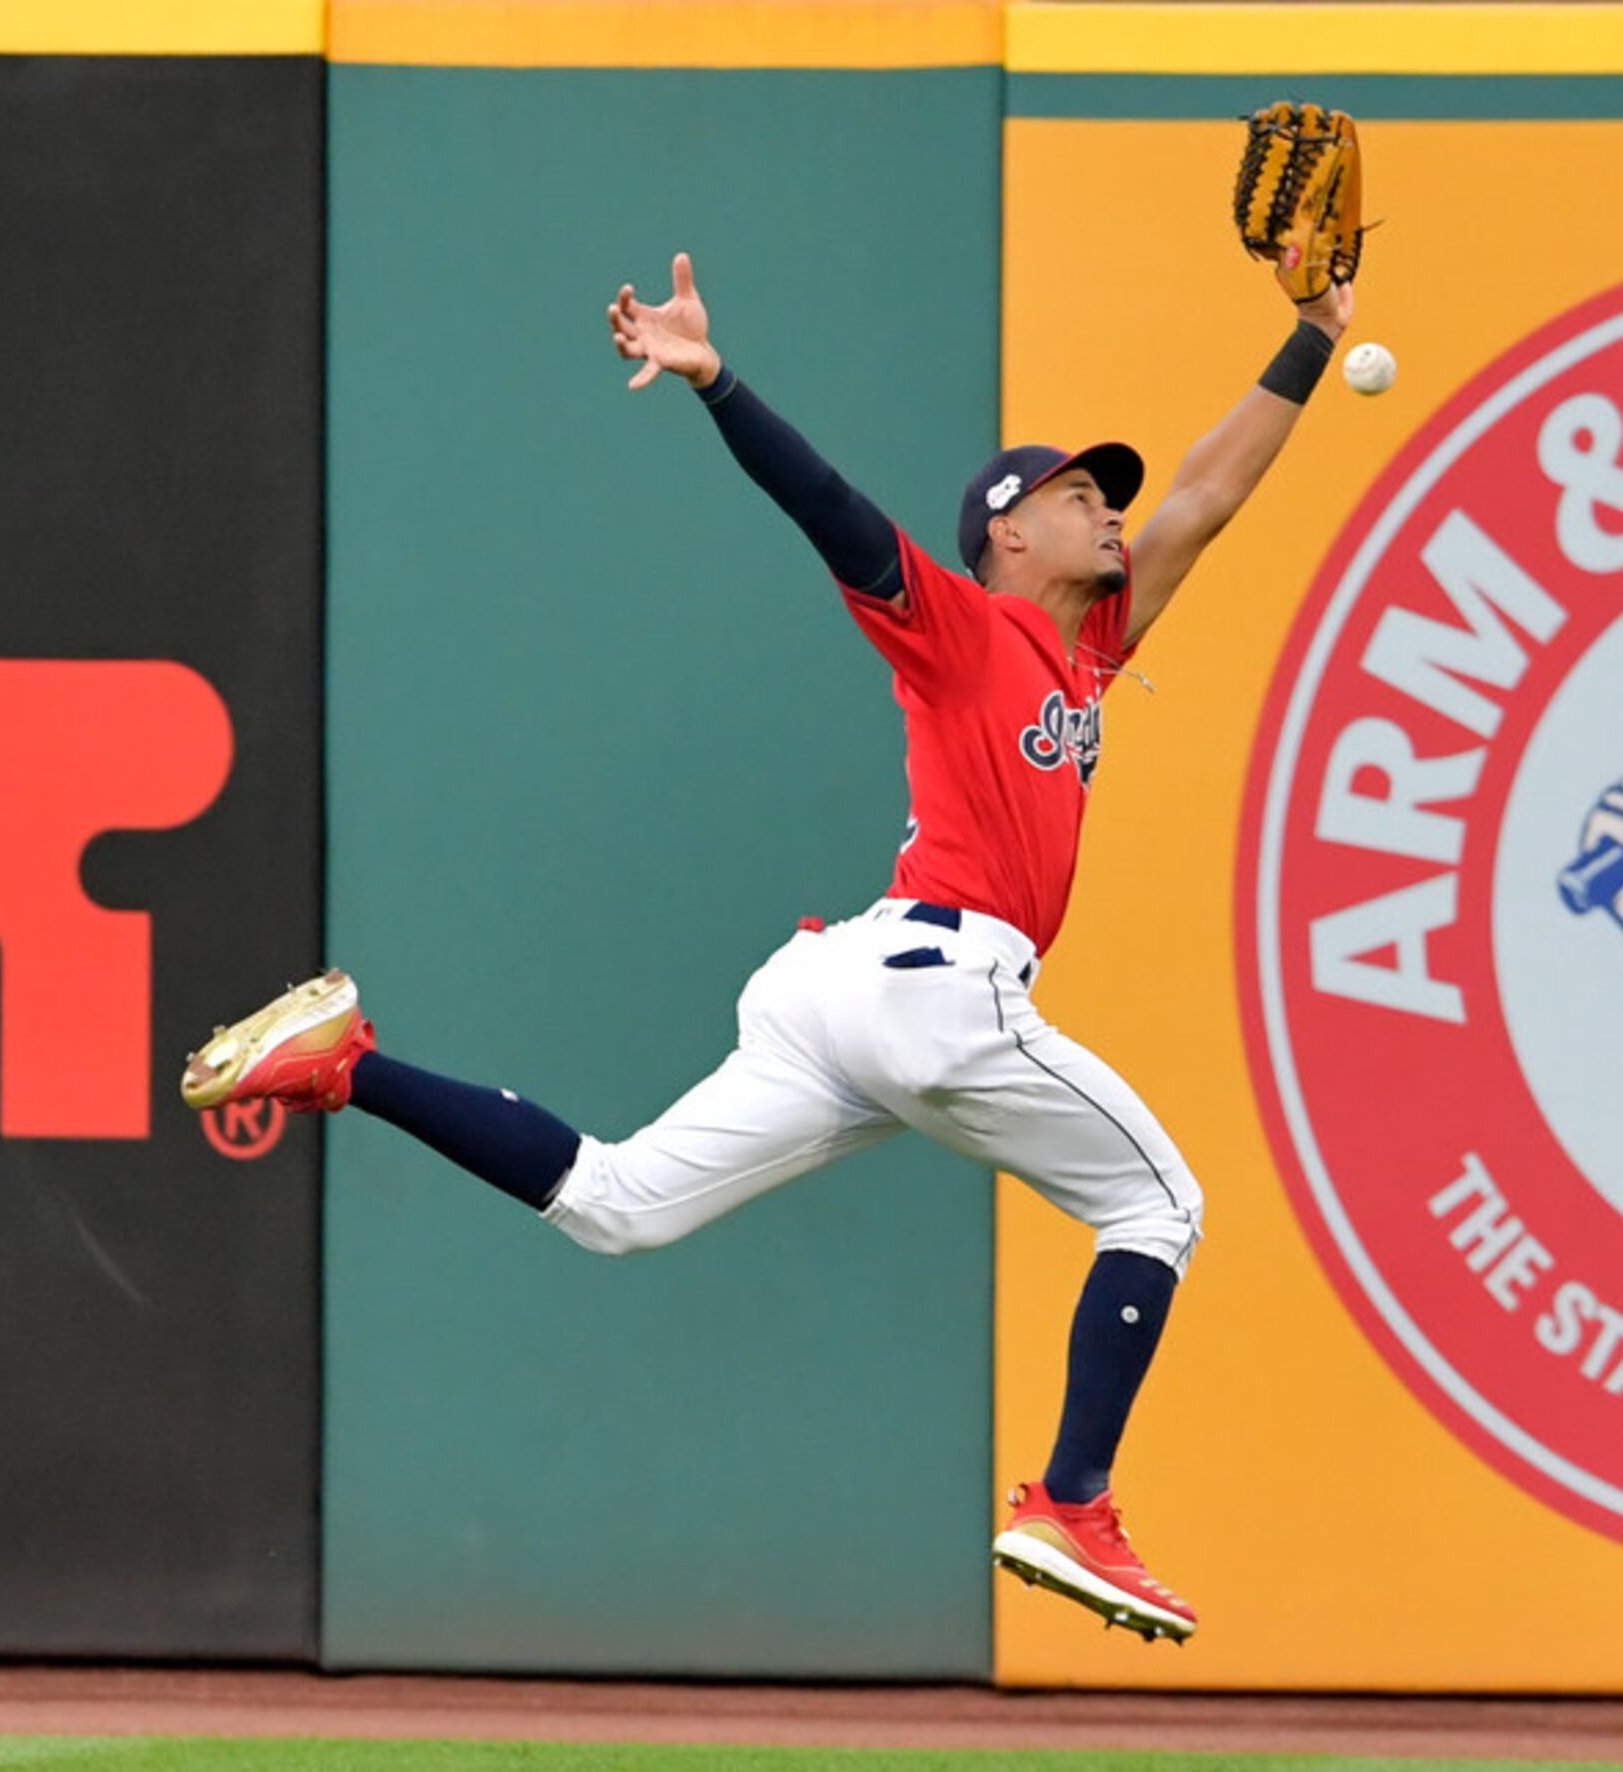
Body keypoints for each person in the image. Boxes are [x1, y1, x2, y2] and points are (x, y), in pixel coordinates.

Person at [182, 249, 1355, 1644]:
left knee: (619, 1204)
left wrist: (1310, 336)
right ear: (1007, 538)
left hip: (840, 993)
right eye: (1077, 495)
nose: (1112, 509)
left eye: (1108, 493)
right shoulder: (962, 626)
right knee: (1159, 1203)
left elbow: (1211, 495)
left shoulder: (1089, 646)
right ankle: (1070, 1499)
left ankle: (344, 1065)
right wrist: (717, 382)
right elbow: (832, 511)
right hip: (935, 984)